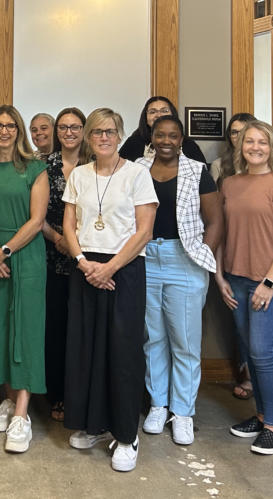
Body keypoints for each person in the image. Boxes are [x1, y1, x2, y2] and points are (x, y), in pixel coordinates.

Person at [62, 108, 157, 472]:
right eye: (97, 131)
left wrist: (110, 267)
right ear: (88, 137)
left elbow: (144, 231)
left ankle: (126, 436)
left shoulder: (137, 173)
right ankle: (94, 425)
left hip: (125, 269)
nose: (104, 137)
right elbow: (69, 226)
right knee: (86, 348)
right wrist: (85, 263)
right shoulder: (80, 175)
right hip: (85, 268)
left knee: (122, 351)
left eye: (111, 131)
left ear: (120, 135)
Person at [216, 120, 273, 456]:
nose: (255, 147)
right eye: (249, 141)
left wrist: (268, 282)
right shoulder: (230, 184)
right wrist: (220, 276)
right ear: (240, 147)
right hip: (235, 280)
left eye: (262, 142)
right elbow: (222, 232)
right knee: (251, 354)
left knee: (264, 355)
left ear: (272, 147)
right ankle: (263, 415)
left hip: (269, 282)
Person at [136, 115, 223, 445]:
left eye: (173, 135)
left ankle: (183, 412)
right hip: (146, 259)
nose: (166, 141)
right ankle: (159, 405)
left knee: (185, 342)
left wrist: (201, 259)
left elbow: (215, 221)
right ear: (152, 137)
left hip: (183, 259)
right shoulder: (137, 169)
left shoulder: (197, 172)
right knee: (153, 337)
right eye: (161, 135)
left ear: (182, 139)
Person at [0, 105, 49, 453]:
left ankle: (21, 414)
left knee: (26, 330)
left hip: (25, 255)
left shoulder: (35, 168)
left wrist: (5, 251)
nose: (4, 131)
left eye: (10, 125)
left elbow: (36, 220)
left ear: (19, 130)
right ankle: (6, 397)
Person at [41, 107, 92, 423]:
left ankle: (83, 393)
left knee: (84, 330)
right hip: (52, 255)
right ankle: (57, 394)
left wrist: (76, 244)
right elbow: (35, 212)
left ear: (84, 130)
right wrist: (59, 238)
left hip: (89, 259)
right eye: (63, 127)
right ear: (56, 131)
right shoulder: (44, 166)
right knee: (56, 329)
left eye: (75, 127)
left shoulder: (95, 165)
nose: (69, 132)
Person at [209, 112, 256, 401]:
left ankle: (265, 386)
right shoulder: (220, 168)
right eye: (234, 133)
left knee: (264, 327)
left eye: (245, 132)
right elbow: (215, 212)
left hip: (260, 251)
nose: (239, 138)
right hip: (230, 249)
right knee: (240, 320)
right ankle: (245, 373)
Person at [119, 97, 206, 164]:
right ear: (145, 118)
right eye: (152, 112)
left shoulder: (189, 145)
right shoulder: (133, 143)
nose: (159, 115)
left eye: (164, 111)